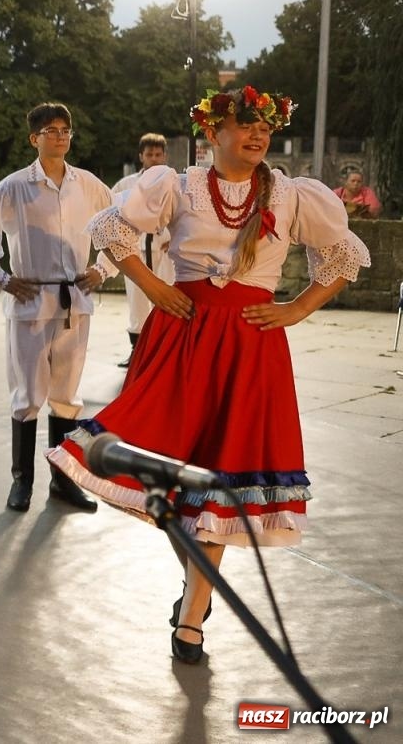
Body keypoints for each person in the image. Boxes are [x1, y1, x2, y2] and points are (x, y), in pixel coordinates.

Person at [47, 86, 369, 664]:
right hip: (183, 338)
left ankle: (193, 613)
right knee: (176, 480)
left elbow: (344, 255)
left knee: (225, 477)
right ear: (213, 133)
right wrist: (155, 286)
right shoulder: (179, 184)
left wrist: (295, 308)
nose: (257, 135)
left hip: (250, 347)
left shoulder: (293, 195)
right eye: (245, 125)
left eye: (264, 128)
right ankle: (198, 586)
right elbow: (114, 230)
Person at [0, 103, 115, 513]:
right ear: (34, 138)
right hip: (29, 301)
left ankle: (63, 480)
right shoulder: (14, 187)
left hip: (75, 300)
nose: (59, 136)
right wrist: (1, 278)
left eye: (65, 130)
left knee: (66, 395)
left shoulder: (89, 185)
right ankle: (21, 480)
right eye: (50, 130)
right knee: (27, 394)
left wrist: (103, 267)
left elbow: (121, 227)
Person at [110, 134, 176, 370]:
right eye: (149, 154)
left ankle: (164, 352)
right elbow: (110, 215)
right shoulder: (126, 185)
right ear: (141, 156)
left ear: (165, 156)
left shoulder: (177, 183)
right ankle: (136, 350)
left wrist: (176, 238)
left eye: (158, 154)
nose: (154, 159)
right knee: (137, 301)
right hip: (135, 251)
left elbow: (187, 217)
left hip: (166, 252)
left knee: (167, 298)